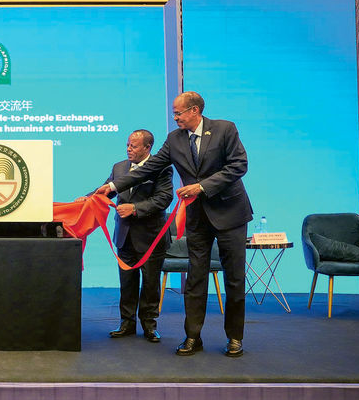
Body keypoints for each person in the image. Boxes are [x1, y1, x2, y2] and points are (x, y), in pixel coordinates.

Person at [95, 91, 252, 357]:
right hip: (198, 218)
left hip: (230, 215)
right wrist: (111, 187)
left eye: (178, 113)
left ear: (194, 110)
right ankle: (193, 337)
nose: (175, 117)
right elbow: (149, 168)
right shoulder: (175, 139)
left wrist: (201, 187)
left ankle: (235, 337)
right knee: (195, 279)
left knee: (234, 279)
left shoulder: (225, 129)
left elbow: (239, 165)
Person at [83, 130, 172, 343]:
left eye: (134, 146)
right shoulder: (119, 167)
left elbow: (164, 198)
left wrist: (134, 208)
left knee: (150, 284)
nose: (128, 149)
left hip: (151, 237)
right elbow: (106, 190)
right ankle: (126, 323)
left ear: (147, 148)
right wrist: (86, 199)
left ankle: (149, 325)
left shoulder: (161, 168)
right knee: (127, 283)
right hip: (124, 235)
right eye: (127, 145)